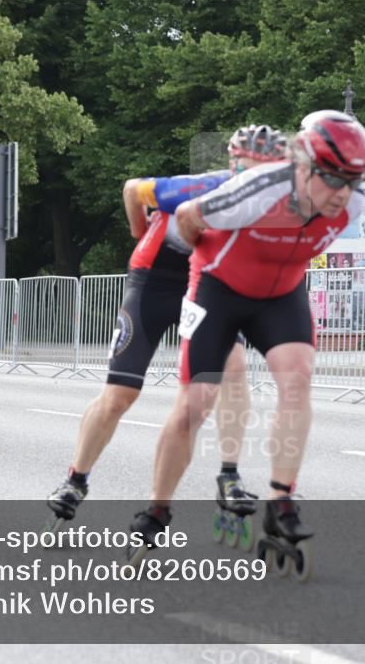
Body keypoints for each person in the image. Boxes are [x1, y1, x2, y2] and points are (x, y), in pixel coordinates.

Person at [126, 110, 365, 572]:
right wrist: (200, 264)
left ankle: (282, 505)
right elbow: (185, 216)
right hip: (219, 286)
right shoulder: (259, 190)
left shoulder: (352, 204)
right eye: (334, 178)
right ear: (302, 166)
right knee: (195, 404)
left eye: (353, 181)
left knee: (298, 381)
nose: (344, 193)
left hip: (280, 294)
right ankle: (156, 510)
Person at [45, 125, 289, 531]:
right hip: (154, 280)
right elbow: (131, 189)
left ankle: (229, 476)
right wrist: (141, 232)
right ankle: (75, 479)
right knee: (120, 394)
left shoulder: (277, 204)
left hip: (206, 283)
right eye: (250, 171)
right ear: (234, 168)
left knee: (234, 368)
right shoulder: (200, 187)